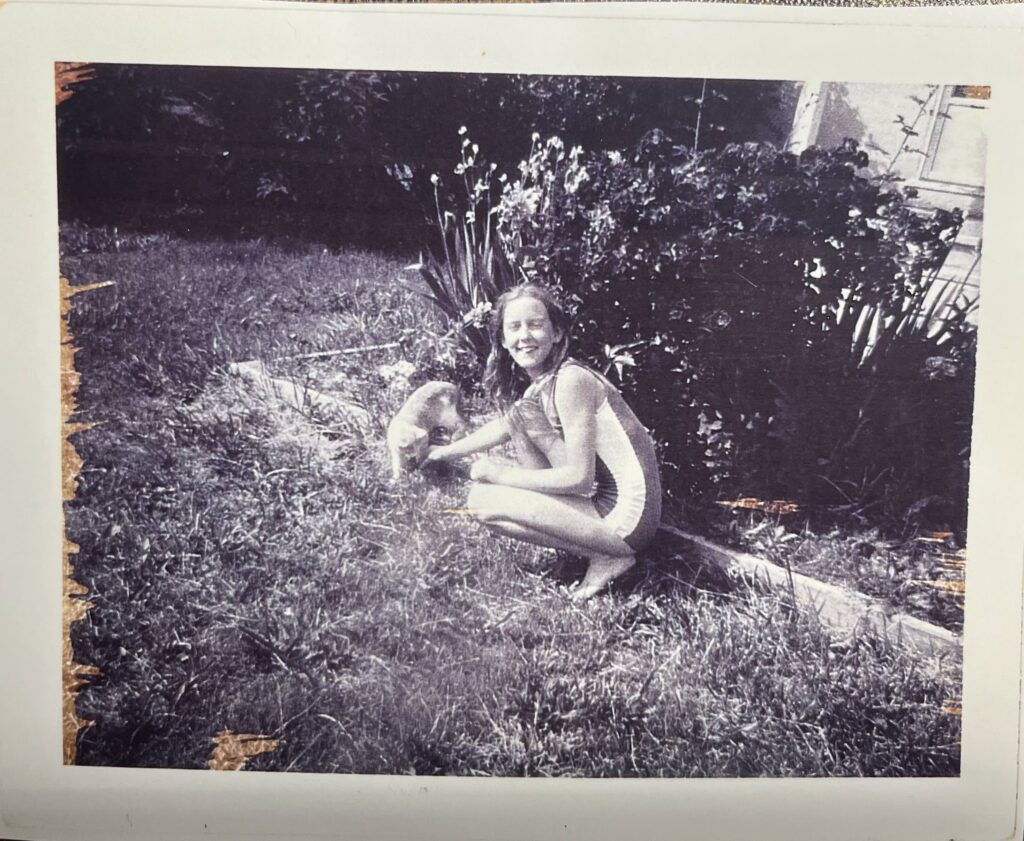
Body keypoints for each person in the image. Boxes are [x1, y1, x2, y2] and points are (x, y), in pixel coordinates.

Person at [424, 283, 662, 600]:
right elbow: (503, 427)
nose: (525, 336)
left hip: (629, 519)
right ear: (503, 340)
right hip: (616, 511)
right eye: (514, 327)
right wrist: (442, 454)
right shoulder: (545, 386)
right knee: (522, 417)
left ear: (558, 333)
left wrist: (500, 474)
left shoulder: (572, 381)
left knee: (482, 500)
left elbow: (579, 478)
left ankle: (611, 555)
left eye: (536, 325)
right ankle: (603, 552)